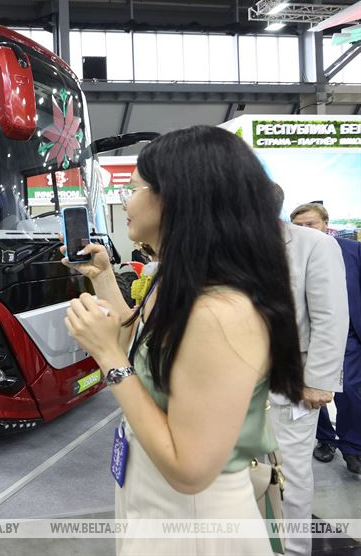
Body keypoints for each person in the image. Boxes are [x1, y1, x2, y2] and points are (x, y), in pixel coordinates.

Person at [62, 126, 305, 554]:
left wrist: (107, 356)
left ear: (175, 196)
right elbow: (141, 344)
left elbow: (189, 470)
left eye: (133, 188)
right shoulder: (176, 282)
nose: (125, 201)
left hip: (195, 521)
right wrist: (102, 278)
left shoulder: (219, 313)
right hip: (153, 495)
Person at [266, 192, 349, 556]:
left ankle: (294, 549)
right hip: (237, 379)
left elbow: (331, 316)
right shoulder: (229, 245)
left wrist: (318, 382)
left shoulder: (313, 245)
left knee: (291, 470)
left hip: (291, 378)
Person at [290, 202, 360, 475]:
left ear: (326, 224)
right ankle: (325, 439)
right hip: (307, 336)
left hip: (349, 333)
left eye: (311, 224)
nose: (305, 229)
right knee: (312, 392)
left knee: (350, 390)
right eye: (299, 225)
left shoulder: (352, 250)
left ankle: (353, 446)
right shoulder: (289, 253)